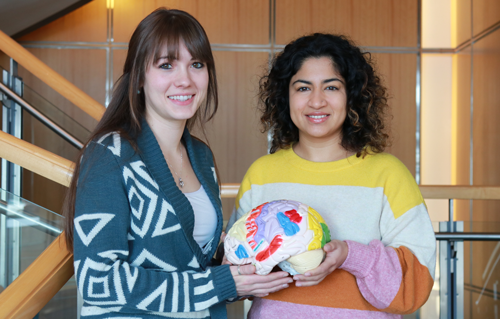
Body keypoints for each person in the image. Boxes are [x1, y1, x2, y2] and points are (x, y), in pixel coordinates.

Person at [62, 8, 291, 319]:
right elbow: (97, 281)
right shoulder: (111, 154)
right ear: (139, 77)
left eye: (196, 64)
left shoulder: (201, 156)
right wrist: (220, 284)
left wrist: (249, 270)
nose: (184, 80)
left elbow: (194, 264)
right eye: (166, 65)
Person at [226, 33, 436, 318]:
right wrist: (236, 270)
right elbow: (239, 277)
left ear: (352, 95)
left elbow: (416, 286)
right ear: (285, 97)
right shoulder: (262, 173)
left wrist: (351, 256)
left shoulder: (389, 175)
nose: (316, 102)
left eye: (331, 87)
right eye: (302, 88)